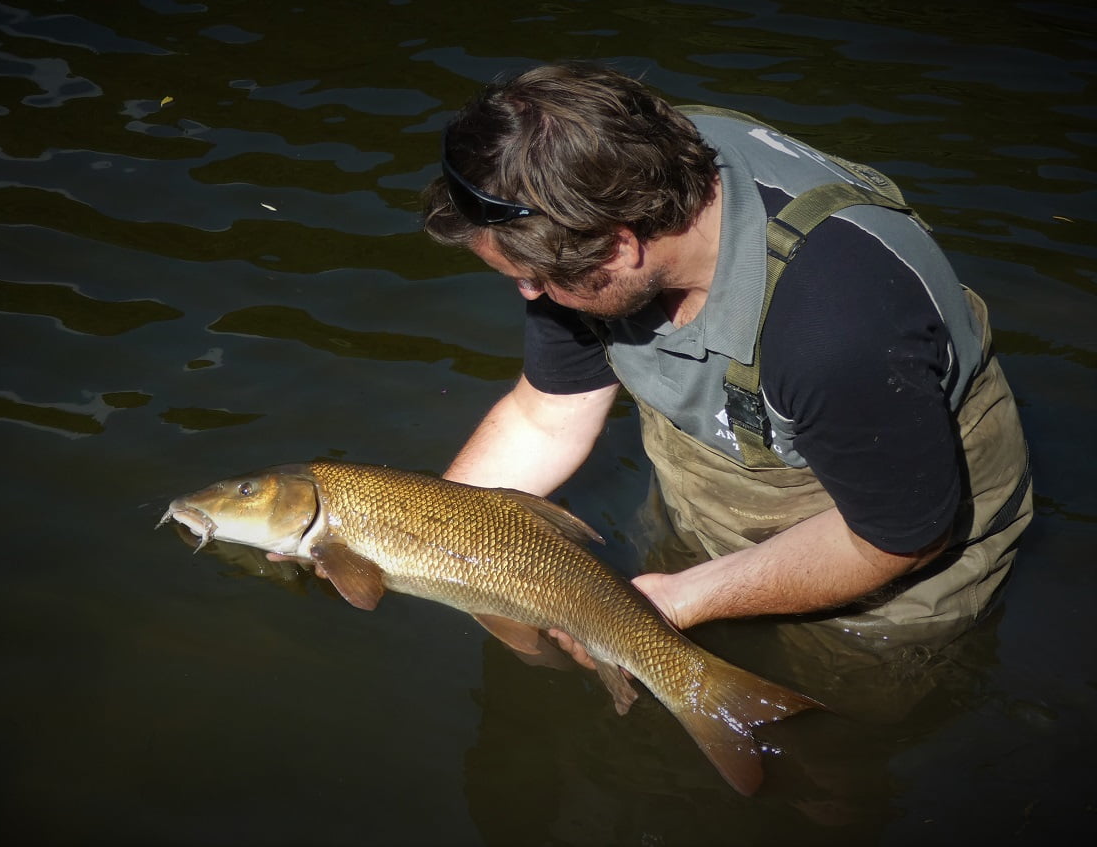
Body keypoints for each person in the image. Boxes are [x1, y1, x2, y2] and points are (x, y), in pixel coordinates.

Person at [421, 61, 1032, 666]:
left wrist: (677, 600)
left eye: (534, 278)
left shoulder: (838, 330)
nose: (529, 294)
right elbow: (546, 419)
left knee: (840, 696)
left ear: (619, 247)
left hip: (890, 544)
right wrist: (419, 536)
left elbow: (899, 540)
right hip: (717, 488)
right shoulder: (599, 172)